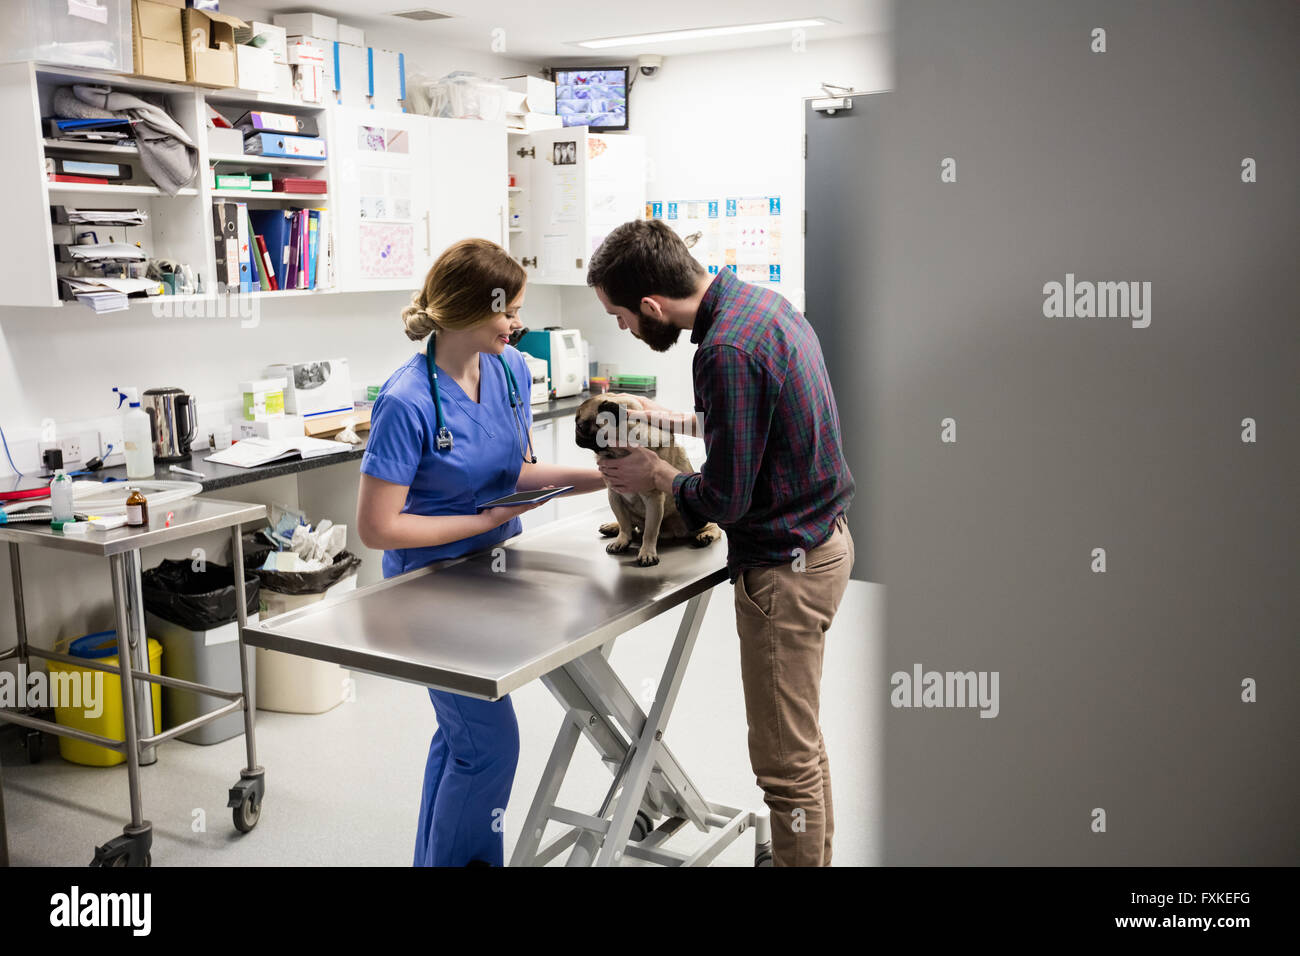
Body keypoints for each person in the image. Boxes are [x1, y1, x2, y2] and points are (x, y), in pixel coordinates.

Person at [586, 219, 855, 867]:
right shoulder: (759, 307)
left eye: (621, 316)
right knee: (803, 747)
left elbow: (725, 499)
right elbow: (753, 419)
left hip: (783, 574)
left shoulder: (724, 352)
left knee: (785, 768)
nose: (623, 328)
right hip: (825, 544)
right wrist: (674, 420)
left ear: (651, 306)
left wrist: (661, 477)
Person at [356, 238, 606, 866]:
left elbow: (514, 470)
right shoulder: (406, 400)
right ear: (469, 308)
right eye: (509, 310)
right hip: (425, 593)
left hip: (496, 574)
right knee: (490, 747)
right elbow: (379, 527)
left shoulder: (512, 370)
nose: (518, 324)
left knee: (460, 739)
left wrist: (604, 476)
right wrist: (482, 516)